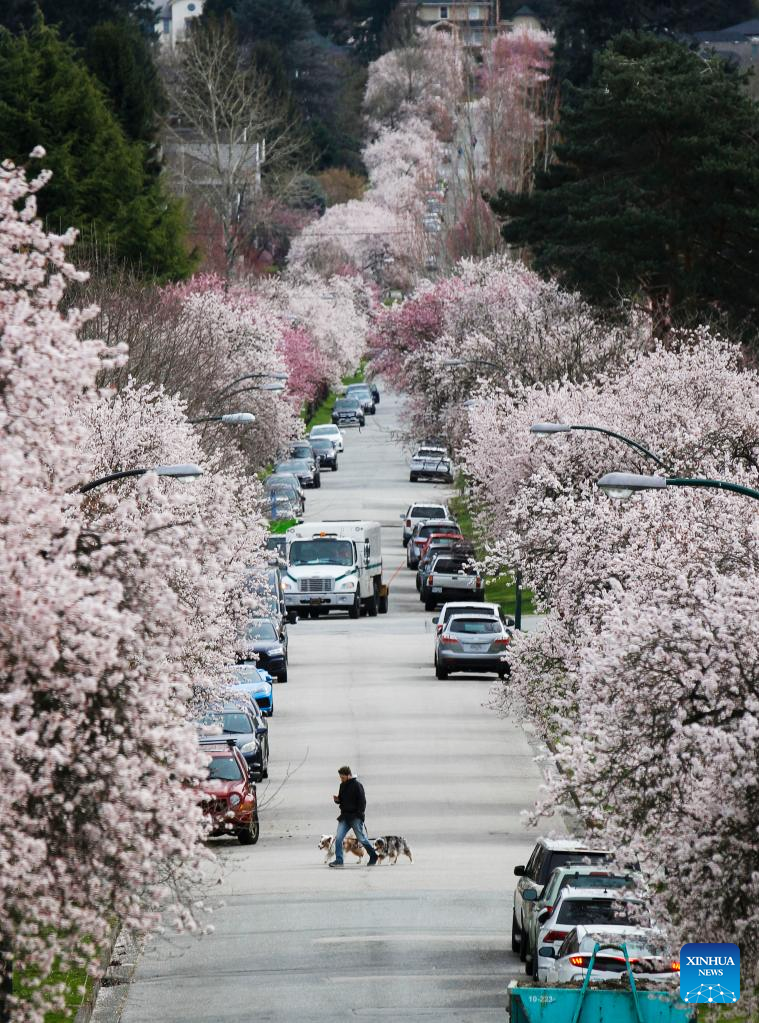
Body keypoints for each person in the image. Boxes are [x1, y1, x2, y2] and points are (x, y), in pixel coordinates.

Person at [328, 766, 377, 867]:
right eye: (340, 777)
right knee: (339, 838)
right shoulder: (342, 785)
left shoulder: (357, 785)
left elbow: (362, 802)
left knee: (362, 839)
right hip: (344, 817)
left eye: (342, 777)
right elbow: (342, 800)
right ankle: (339, 860)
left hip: (355, 817)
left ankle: (373, 856)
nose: (341, 779)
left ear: (349, 775)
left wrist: (360, 816)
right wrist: (337, 800)